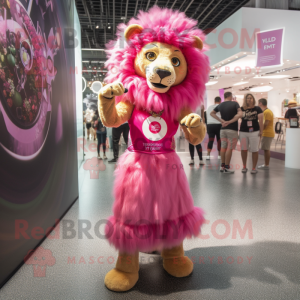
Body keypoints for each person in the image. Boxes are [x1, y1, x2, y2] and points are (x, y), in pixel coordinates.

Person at [210, 92, 242, 174]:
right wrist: (230, 121)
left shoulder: (220, 105)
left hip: (223, 129)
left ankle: (222, 166)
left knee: (223, 147)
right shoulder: (235, 104)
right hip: (232, 129)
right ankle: (227, 167)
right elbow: (240, 114)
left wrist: (221, 121)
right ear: (230, 96)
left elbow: (211, 113)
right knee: (230, 148)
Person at [239, 94, 263, 174]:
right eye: (247, 98)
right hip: (243, 131)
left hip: (255, 132)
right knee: (243, 149)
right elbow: (237, 117)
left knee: (254, 149)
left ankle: (253, 168)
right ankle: (244, 166)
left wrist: (261, 131)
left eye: (251, 98)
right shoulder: (241, 109)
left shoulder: (258, 108)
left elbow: (261, 120)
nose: (249, 99)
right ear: (245, 99)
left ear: (253, 99)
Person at [258, 98, 275, 170]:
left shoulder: (267, 112)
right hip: (266, 133)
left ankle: (266, 164)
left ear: (260, 103)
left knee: (266, 149)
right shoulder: (265, 111)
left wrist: (260, 130)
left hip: (267, 133)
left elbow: (266, 123)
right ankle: (266, 164)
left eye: (258, 103)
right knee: (265, 149)